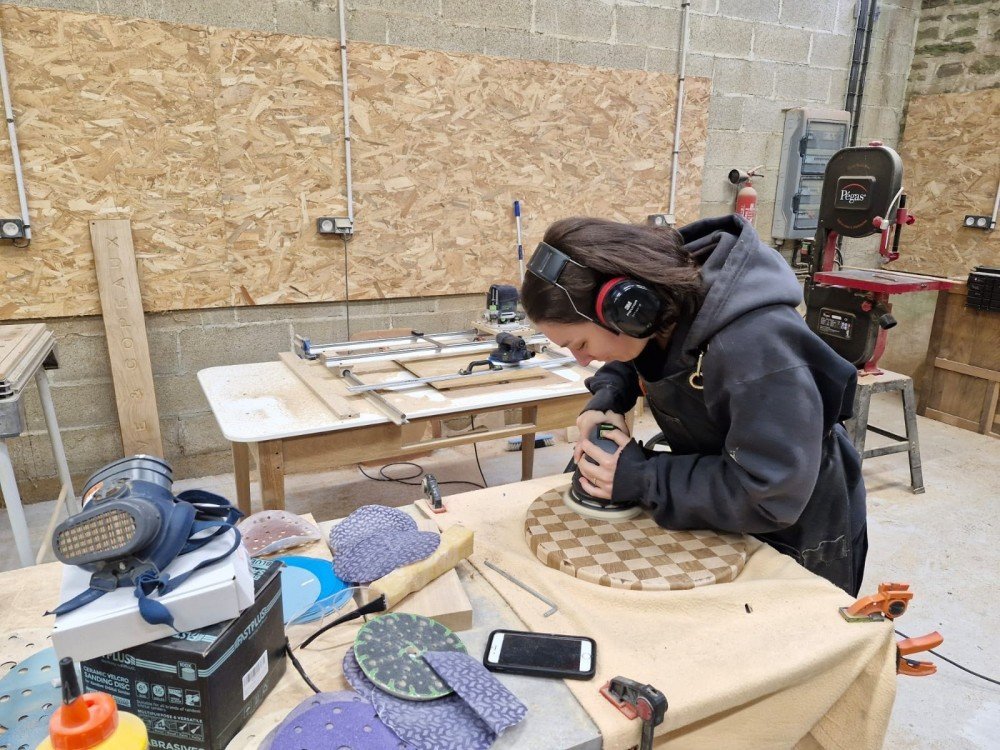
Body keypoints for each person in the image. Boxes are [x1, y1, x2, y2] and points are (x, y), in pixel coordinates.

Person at [519, 214, 867, 595]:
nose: (583, 362)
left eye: (581, 345)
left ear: (628, 308)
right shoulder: (665, 298)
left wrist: (642, 477)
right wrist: (608, 397)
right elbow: (644, 351)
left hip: (795, 527)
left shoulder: (755, 347)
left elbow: (770, 494)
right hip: (725, 504)